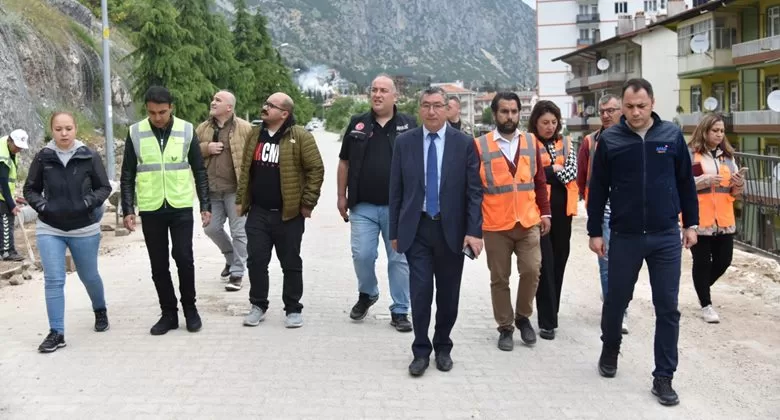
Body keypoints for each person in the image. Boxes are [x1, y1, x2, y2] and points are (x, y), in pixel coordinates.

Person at [588, 78, 699, 406]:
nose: (635, 112)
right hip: (625, 235)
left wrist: (691, 224)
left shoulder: (671, 136)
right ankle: (610, 349)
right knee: (616, 300)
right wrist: (595, 232)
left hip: (665, 236)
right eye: (629, 107)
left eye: (641, 106)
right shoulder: (610, 140)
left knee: (667, 307)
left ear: (652, 104)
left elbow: (685, 182)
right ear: (621, 107)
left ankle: (664, 376)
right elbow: (598, 189)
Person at [389, 87, 483, 377]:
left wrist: (474, 231)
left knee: (448, 295)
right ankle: (420, 350)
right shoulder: (404, 142)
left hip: (451, 231)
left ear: (447, 109)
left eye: (437, 105)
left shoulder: (464, 143)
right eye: (426, 105)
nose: (432, 111)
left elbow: (474, 191)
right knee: (420, 293)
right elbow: (396, 190)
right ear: (419, 109)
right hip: (417, 229)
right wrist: (394, 231)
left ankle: (443, 346)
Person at [120, 86, 212, 336]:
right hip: (151, 208)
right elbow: (127, 173)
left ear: (171, 108)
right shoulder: (136, 132)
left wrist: (205, 204)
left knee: (184, 258)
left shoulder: (186, 129)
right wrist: (128, 208)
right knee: (158, 264)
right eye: (152, 112)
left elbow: (199, 170)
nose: (157, 117)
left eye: (162, 112)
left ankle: (190, 310)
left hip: (180, 205)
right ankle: (169, 313)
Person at [23, 112, 112, 353]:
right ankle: (57, 332)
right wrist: (43, 207)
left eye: (68, 128)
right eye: (58, 129)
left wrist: (86, 203)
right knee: (54, 280)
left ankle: (100, 309)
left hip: (84, 227)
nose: (64, 133)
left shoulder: (89, 155)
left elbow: (104, 187)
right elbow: (30, 189)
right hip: (50, 228)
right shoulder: (43, 157)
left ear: (75, 129)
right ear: (52, 130)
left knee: (89, 275)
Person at [237, 92, 324, 329]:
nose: (264, 108)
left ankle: (293, 308)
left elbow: (316, 169)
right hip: (258, 211)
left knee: (290, 262)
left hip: (289, 215)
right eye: (265, 103)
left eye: (271, 105)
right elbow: (245, 169)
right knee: (256, 261)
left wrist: (307, 203)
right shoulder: (255, 134)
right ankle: (258, 305)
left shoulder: (300, 136)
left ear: (284, 113)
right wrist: (241, 199)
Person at [337, 74, 417, 331]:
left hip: (399, 208)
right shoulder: (357, 124)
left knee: (399, 260)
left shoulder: (409, 124)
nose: (378, 94)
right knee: (362, 255)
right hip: (363, 206)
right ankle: (368, 293)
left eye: (383, 90)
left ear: (395, 96)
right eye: (374, 90)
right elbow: (344, 162)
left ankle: (401, 310)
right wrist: (341, 196)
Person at [476, 92, 551, 351]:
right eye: (504, 111)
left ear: (520, 113)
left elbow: (539, 181)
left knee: (532, 270)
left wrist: (545, 213)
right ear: (495, 114)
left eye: (514, 111)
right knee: (500, 278)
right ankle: (505, 327)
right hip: (496, 225)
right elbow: (473, 189)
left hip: (528, 221)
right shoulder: (480, 145)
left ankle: (523, 317)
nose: (509, 116)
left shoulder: (530, 142)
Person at [576, 94, 629, 334]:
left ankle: (616, 298)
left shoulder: (633, 138)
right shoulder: (590, 142)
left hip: (629, 210)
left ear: (622, 111)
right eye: (602, 111)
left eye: (611, 110)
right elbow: (582, 176)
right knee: (607, 262)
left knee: (627, 263)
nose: (606, 115)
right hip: (603, 211)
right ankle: (616, 312)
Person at [687, 114, 744, 324]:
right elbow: (682, 184)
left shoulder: (728, 157)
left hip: (724, 219)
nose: (719, 134)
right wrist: (705, 180)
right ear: (704, 131)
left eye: (722, 131)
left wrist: (738, 184)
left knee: (724, 261)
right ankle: (706, 304)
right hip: (699, 218)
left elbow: (734, 192)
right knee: (702, 262)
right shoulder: (691, 154)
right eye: (715, 130)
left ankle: (702, 288)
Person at [530, 100, 578, 340]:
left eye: (553, 122)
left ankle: (552, 311)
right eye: (544, 122)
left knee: (559, 263)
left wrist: (550, 172)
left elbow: (572, 172)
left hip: (563, 215)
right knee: (544, 265)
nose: (550, 127)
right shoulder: (528, 144)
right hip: (540, 214)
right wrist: (554, 170)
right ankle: (547, 321)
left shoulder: (567, 143)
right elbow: (531, 176)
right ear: (535, 123)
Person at [196, 90, 253, 291]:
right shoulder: (203, 128)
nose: (213, 102)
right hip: (212, 191)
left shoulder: (245, 128)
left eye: (218, 100)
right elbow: (190, 152)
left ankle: (237, 272)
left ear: (229, 107)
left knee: (239, 232)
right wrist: (206, 148)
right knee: (211, 228)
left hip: (236, 191)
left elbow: (253, 157)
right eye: (213, 99)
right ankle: (230, 258)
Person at [0, 129, 29, 261]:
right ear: (9, 141)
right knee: (7, 218)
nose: (19, 149)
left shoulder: (8, 147)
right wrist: (11, 205)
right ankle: (7, 252)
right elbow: (2, 183)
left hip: (5, 192)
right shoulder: (3, 157)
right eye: (17, 146)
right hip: (1, 192)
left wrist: (12, 198)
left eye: (20, 147)